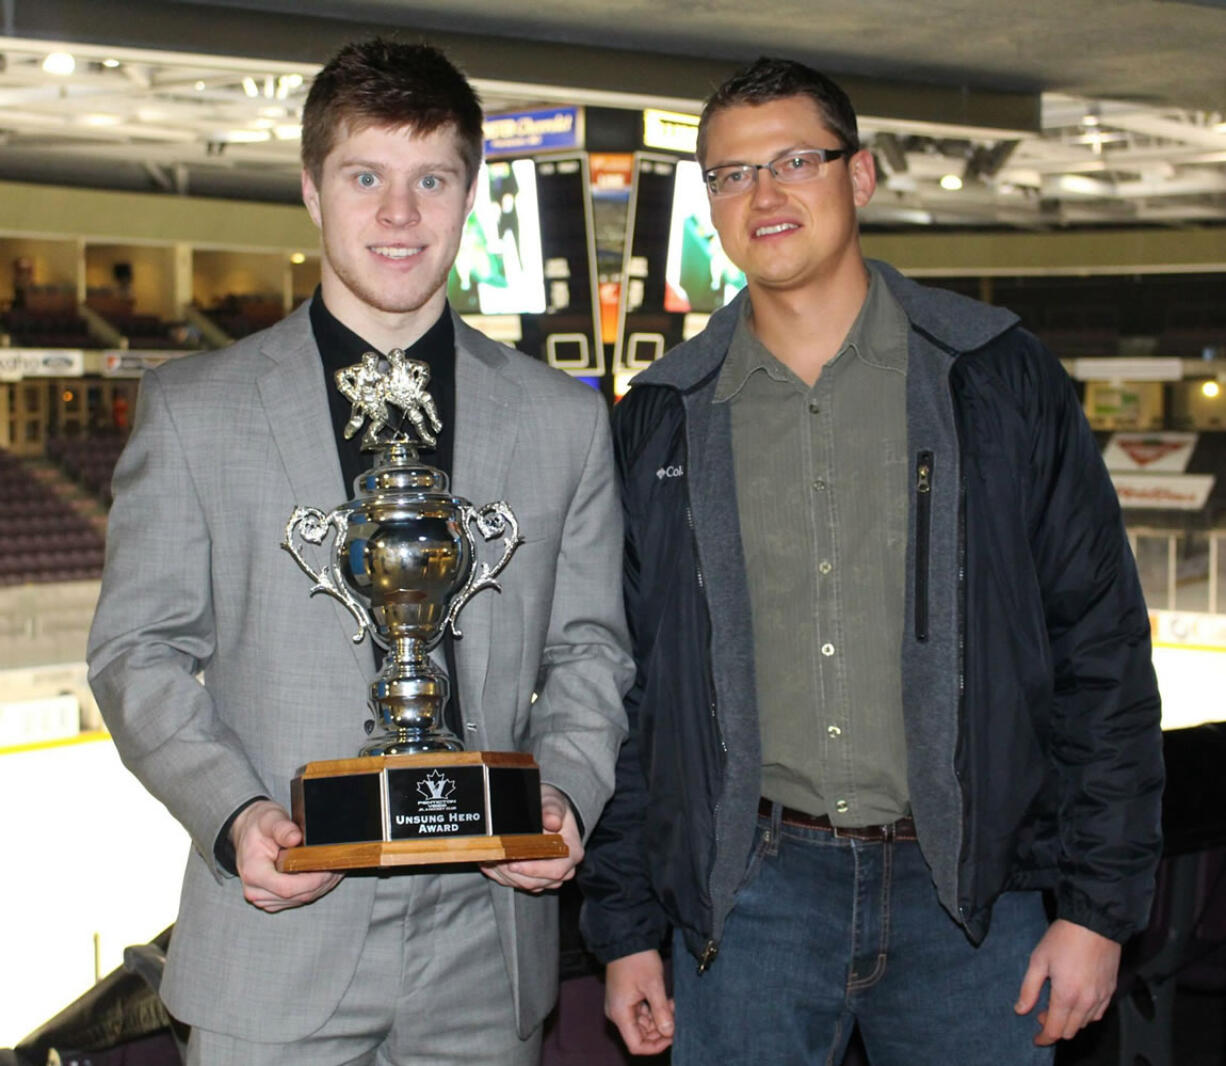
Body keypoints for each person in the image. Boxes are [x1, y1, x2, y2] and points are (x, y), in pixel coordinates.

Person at [579, 56, 1163, 1066]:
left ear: (860, 176)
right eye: (727, 174)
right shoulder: (664, 420)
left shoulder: (992, 375)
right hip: (748, 903)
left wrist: (1098, 909)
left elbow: (1098, 648)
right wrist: (625, 928)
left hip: (971, 908)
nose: (761, 195)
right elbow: (633, 694)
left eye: (793, 160)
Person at [88, 38, 632, 1066]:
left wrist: (563, 789)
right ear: (310, 189)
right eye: (365, 177)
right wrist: (235, 813)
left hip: (487, 945)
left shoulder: (561, 421)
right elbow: (137, 651)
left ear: (468, 194)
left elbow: (590, 650)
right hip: (277, 932)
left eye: (430, 179)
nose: (398, 215)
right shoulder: (195, 410)